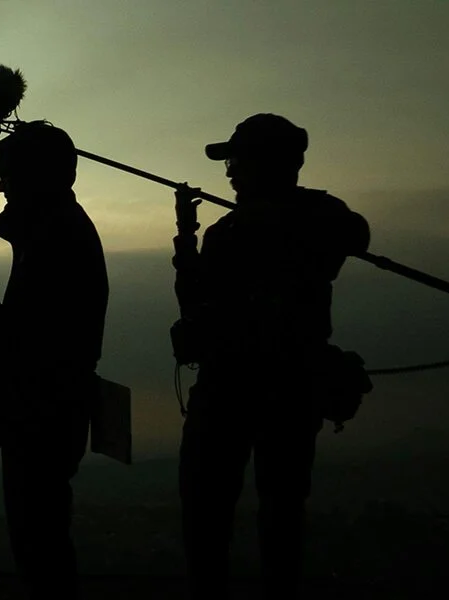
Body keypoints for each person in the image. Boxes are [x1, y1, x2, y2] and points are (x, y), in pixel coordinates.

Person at [171, 113, 371, 600]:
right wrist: (186, 235)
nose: (230, 171)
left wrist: (276, 215)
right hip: (227, 387)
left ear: (269, 163)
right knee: (207, 511)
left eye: (237, 160)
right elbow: (194, 302)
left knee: (277, 513)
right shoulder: (225, 232)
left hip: (280, 389)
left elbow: (355, 234)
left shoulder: (317, 215)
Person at [0, 121, 108, 600]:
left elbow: (27, 336)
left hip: (41, 415)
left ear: (39, 176)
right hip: (49, 412)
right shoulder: (56, 232)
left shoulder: (56, 239)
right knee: (42, 538)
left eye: (10, 175)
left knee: (39, 543)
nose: (2, 186)